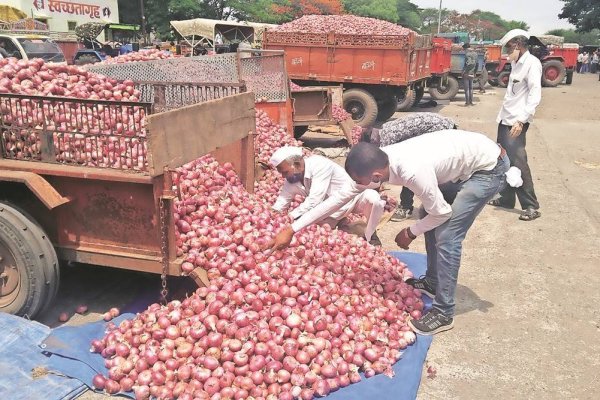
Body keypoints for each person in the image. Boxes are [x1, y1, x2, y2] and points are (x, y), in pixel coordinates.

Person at [266, 130, 509, 335]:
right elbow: (337, 200)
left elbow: (442, 214)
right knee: (429, 216)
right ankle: (434, 282)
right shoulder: (378, 162)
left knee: (446, 234)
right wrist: (292, 229)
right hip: (459, 162)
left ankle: (444, 312)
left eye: (362, 183)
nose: (359, 187)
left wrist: (410, 232)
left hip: (488, 168)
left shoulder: (412, 171)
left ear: (375, 177)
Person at [269, 146, 386, 245]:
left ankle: (372, 236)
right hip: (330, 210)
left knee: (374, 200)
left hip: (353, 200)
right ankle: (342, 224)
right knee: (319, 236)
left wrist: (290, 217)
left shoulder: (319, 164)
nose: (283, 176)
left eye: (285, 172)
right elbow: (281, 202)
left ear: (297, 164)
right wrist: (273, 215)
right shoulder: (291, 179)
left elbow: (314, 200)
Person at [361, 112, 457, 221]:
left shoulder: (387, 142)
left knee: (410, 170)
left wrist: (374, 190)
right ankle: (445, 201)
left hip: (440, 129)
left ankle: (407, 208)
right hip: (442, 124)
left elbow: (392, 170)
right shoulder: (385, 129)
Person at [488, 29, 542, 221]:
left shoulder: (532, 64)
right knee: (503, 160)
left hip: (516, 122)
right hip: (505, 119)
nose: (506, 52)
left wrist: (521, 121)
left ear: (518, 45)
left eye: (508, 47)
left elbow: (535, 95)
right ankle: (506, 199)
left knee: (518, 161)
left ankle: (531, 206)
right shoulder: (515, 62)